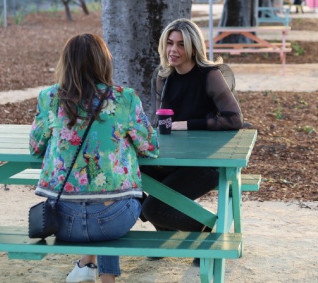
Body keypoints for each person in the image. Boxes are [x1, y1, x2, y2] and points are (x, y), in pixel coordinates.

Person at [29, 33, 159, 283]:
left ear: (65, 62)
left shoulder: (50, 98)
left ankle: (86, 263)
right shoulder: (125, 98)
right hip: (114, 220)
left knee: (99, 199)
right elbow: (150, 147)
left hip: (62, 221)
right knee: (117, 197)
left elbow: (35, 147)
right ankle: (104, 276)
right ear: (104, 62)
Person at [141, 19, 243, 263]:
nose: (173, 50)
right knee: (127, 176)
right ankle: (164, 233)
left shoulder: (210, 75)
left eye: (180, 45)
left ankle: (204, 233)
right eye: (169, 43)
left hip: (205, 163)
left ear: (194, 48)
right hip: (171, 158)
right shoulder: (163, 77)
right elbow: (160, 121)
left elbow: (234, 119)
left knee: (153, 208)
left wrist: (186, 124)